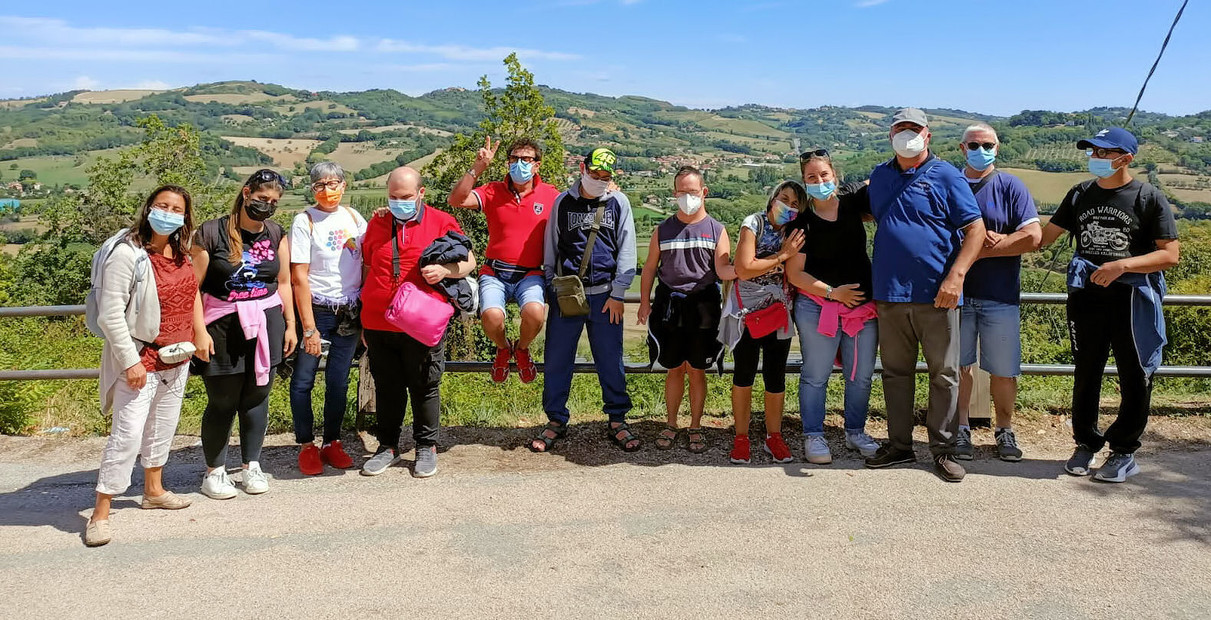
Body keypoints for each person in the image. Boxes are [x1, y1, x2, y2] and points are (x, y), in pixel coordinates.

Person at [1040, 127, 1179, 483]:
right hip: (1086, 298)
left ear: (1126, 158)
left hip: (1132, 300)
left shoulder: (1148, 197)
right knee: (1087, 372)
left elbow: (1169, 255)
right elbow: (1044, 237)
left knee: (1136, 375)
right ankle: (1085, 442)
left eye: (1104, 152)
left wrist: (1123, 265)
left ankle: (1124, 451)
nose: (1095, 158)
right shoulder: (1079, 194)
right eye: (1093, 151)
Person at [863, 108, 986, 482]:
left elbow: (976, 230)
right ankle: (899, 445)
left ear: (927, 135)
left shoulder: (947, 175)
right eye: (900, 129)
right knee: (895, 373)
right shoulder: (880, 177)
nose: (907, 135)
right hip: (889, 294)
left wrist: (957, 277)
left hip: (938, 295)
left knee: (944, 375)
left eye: (914, 129)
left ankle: (944, 449)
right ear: (890, 136)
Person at [86, 186, 205, 547]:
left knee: (162, 427)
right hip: (142, 357)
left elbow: (192, 292)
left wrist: (199, 333)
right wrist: (130, 361)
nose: (168, 213)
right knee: (127, 435)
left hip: (177, 355)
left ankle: (154, 490)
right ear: (149, 208)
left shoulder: (180, 251)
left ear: (185, 216)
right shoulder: (128, 254)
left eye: (176, 208)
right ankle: (100, 512)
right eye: (162, 206)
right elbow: (110, 315)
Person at [359, 167, 476, 477]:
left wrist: (446, 271)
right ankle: (388, 447)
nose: (400, 203)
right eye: (394, 197)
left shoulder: (440, 221)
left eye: (406, 197)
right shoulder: (378, 221)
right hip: (379, 321)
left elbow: (470, 260)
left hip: (422, 323)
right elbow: (368, 267)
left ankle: (426, 447)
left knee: (425, 385)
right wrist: (362, 317)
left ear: (421, 193)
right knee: (387, 387)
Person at [192, 169, 297, 499]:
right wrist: (198, 332)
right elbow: (191, 288)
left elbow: (283, 283)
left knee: (257, 398)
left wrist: (291, 323)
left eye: (274, 202)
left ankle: (252, 465)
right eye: (262, 198)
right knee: (222, 401)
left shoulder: (277, 233)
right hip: (220, 326)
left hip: (267, 323)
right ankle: (214, 471)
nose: (267, 206)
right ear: (246, 192)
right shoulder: (210, 233)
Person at [531, 147, 638, 453]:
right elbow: (551, 245)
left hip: (606, 297)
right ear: (582, 168)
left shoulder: (619, 202)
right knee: (556, 360)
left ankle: (617, 419)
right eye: (594, 174)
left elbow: (627, 248)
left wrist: (619, 293)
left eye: (605, 177)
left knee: (610, 360)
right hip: (568, 295)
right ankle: (555, 420)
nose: (599, 181)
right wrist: (553, 285)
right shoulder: (562, 203)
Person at [953, 124, 1042, 462]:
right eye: (974, 144)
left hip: (1000, 296)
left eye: (987, 144)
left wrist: (988, 245)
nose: (980, 149)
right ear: (962, 148)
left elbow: (1032, 236)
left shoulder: (1010, 186)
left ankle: (1005, 429)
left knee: (1004, 370)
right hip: (956, 295)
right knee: (958, 368)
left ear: (998, 147)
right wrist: (995, 242)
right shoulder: (952, 184)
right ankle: (961, 429)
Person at [786, 151, 881, 464]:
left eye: (824, 175)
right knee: (816, 374)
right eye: (811, 178)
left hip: (862, 308)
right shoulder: (801, 222)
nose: (819, 181)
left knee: (862, 375)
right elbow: (795, 273)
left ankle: (855, 432)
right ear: (805, 182)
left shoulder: (852, 200)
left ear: (835, 177)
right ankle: (813, 435)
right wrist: (833, 293)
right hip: (818, 306)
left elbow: (881, 180)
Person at [637, 166, 735, 453]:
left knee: (697, 370)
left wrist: (752, 267)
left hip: (704, 307)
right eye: (682, 192)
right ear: (674, 193)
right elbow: (650, 269)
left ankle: (695, 426)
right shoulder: (662, 229)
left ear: (703, 192)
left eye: (692, 192)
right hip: (669, 306)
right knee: (674, 369)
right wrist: (644, 303)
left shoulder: (717, 230)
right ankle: (670, 424)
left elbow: (723, 269)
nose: (687, 197)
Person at [448, 137, 559, 383]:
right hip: (495, 271)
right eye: (514, 159)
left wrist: (610, 192)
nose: (520, 164)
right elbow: (455, 200)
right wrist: (478, 167)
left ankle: (521, 349)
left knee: (535, 313)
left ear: (537, 165)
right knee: (491, 316)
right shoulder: (492, 190)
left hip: (531, 272)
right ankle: (502, 348)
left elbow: (577, 207)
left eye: (526, 159)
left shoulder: (551, 195)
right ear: (507, 162)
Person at [289, 162, 367, 475]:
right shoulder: (304, 221)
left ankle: (332, 441)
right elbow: (299, 277)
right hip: (318, 312)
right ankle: (306, 445)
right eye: (321, 185)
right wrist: (308, 328)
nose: (328, 190)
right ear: (312, 189)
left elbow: (367, 258)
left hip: (349, 311)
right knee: (304, 380)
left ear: (344, 186)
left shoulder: (353, 217)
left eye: (334, 183)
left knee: (338, 381)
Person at [721, 181, 806, 465]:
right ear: (772, 200)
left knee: (775, 376)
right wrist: (782, 256)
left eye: (795, 204)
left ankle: (774, 436)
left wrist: (771, 260)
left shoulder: (794, 232)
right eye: (785, 199)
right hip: (747, 311)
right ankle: (741, 437)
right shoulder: (753, 223)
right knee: (743, 374)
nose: (789, 207)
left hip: (779, 310)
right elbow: (744, 268)